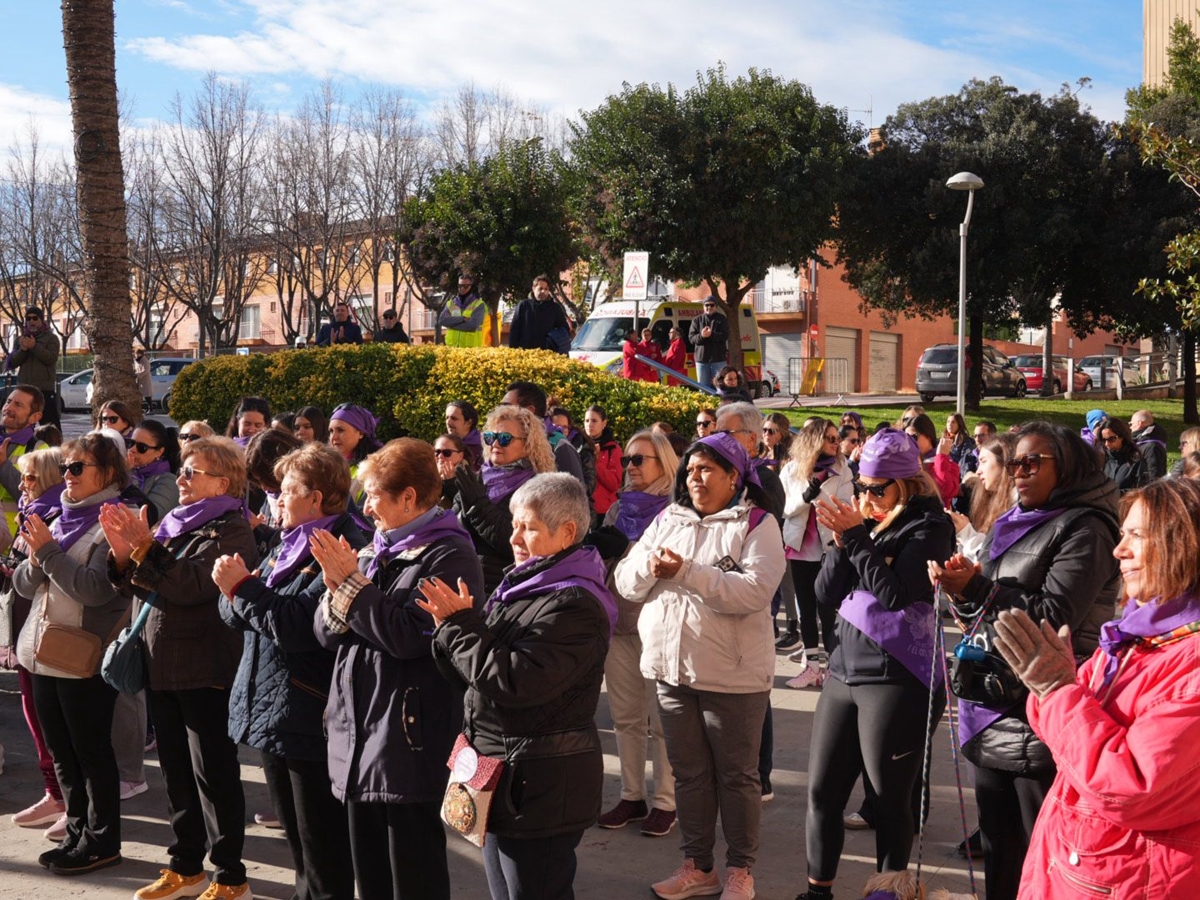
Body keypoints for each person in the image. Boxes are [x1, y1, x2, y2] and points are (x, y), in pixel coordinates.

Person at [929, 422, 1121, 900]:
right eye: (1014, 462)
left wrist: (978, 588)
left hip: (1040, 706)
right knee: (1000, 850)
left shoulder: (1087, 527)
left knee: (1042, 851)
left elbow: (1055, 618)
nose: (1018, 472)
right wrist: (964, 587)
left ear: (1069, 466)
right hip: (992, 698)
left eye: (1032, 462)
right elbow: (989, 606)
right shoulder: (1016, 519)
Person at [994, 477, 1200, 899]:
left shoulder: (1189, 661)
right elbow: (1061, 723)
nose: (1118, 550)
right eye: (1122, 534)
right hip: (1080, 864)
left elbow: (1129, 787)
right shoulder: (1139, 632)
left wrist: (1056, 688)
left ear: (1185, 545)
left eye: (1137, 536)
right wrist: (1049, 685)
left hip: (1133, 880)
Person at [417, 473, 612, 899]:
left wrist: (458, 628)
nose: (515, 538)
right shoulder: (523, 585)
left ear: (567, 533)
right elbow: (473, 676)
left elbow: (514, 681)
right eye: (514, 525)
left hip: (539, 786)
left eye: (529, 528)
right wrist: (451, 632)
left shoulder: (575, 603)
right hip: (499, 774)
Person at [311, 438, 485, 900]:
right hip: (358, 732)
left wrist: (350, 585)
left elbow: (410, 637)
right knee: (369, 876)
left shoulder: (448, 554)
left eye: (374, 495)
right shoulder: (376, 550)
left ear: (409, 497)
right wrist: (338, 589)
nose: (366, 509)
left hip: (407, 737)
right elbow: (326, 635)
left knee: (413, 872)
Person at [614, 432, 785, 900]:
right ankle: (697, 865)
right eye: (690, 469)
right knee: (689, 776)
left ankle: (740, 870)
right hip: (670, 672)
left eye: (707, 469)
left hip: (733, 677)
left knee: (737, 777)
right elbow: (625, 583)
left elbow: (754, 592)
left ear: (734, 476)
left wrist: (686, 571)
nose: (695, 477)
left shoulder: (757, 523)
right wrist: (650, 565)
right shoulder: (668, 517)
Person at [796, 428, 955, 900]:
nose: (865, 497)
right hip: (845, 670)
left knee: (888, 801)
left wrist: (859, 538)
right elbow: (826, 594)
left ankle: (886, 892)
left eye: (875, 489)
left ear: (906, 484)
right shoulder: (867, 523)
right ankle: (817, 892)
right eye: (860, 487)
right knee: (822, 793)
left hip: (897, 676)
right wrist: (843, 544)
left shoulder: (930, 526)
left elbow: (894, 595)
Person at [100, 436, 259, 900]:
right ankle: (186, 867)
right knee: (175, 771)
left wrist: (145, 548)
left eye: (193, 472)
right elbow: (145, 589)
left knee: (214, 776)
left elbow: (189, 586)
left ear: (223, 482)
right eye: (184, 470)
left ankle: (231, 876)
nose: (183, 479)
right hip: (160, 663)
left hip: (205, 667)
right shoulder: (175, 523)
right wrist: (123, 555)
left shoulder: (232, 530)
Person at [215, 443, 366, 900]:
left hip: (308, 707)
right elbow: (232, 613)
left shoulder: (340, 548)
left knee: (322, 841)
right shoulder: (288, 543)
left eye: (286, 491)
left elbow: (301, 626)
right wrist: (243, 593)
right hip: (270, 704)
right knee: (297, 839)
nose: (276, 500)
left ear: (316, 498)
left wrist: (244, 590)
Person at [14, 433, 127, 875]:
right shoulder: (59, 517)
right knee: (62, 751)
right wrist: (38, 556)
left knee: (91, 751)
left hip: (83, 656)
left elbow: (95, 591)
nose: (68, 476)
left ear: (108, 474)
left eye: (78, 468)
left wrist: (47, 553)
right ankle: (78, 832)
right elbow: (25, 586)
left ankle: (102, 841)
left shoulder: (113, 521)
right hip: (42, 651)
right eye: (66, 467)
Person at [594, 430, 680, 838]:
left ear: (663, 464)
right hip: (619, 623)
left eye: (639, 459)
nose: (629, 466)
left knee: (662, 720)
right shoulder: (616, 510)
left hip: (658, 626)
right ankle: (632, 796)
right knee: (625, 718)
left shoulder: (676, 512)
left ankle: (666, 801)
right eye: (628, 459)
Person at [6, 448, 68, 841]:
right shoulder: (31, 510)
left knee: (53, 722)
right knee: (34, 714)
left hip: (45, 628)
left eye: (30, 477)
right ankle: (54, 793)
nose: (22, 484)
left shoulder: (53, 515)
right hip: (21, 623)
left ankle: (66, 798)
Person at [777, 419, 855, 677]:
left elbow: (844, 505)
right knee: (806, 607)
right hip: (800, 546)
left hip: (830, 545)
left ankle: (834, 667)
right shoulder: (791, 470)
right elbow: (785, 509)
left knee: (828, 606)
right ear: (815, 440)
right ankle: (811, 666)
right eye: (830, 438)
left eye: (837, 438)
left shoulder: (842, 468)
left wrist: (818, 495)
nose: (836, 443)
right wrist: (805, 497)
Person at [453, 405, 556, 594]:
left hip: (501, 584)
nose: (495, 444)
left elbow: (513, 540)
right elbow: (453, 524)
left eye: (505, 439)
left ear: (528, 444)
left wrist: (477, 504)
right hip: (461, 576)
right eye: (490, 437)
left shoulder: (537, 486)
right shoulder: (479, 476)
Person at [947, 432, 1018, 562]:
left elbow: (994, 558)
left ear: (1005, 463)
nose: (978, 470)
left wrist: (966, 532)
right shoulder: (996, 499)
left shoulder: (1019, 505)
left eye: (983, 461)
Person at [0, 385, 51, 535]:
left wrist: (3, 465)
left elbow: (37, 498)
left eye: (18, 405)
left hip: (10, 542)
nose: (8, 407)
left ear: (35, 417)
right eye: (8, 401)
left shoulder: (40, 450)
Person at [9, 306, 60, 429]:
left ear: (41, 320)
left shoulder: (51, 338)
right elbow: (12, 363)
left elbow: (51, 358)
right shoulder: (20, 340)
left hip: (44, 390)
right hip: (25, 391)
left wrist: (34, 346)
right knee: (22, 426)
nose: (31, 321)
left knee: (50, 427)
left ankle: (54, 447)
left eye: (35, 318)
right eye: (28, 318)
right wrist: (24, 350)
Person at [126, 419, 181, 524]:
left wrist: (124, 479)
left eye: (141, 447)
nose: (132, 449)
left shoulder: (169, 481)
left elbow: (150, 517)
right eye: (131, 443)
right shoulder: (129, 470)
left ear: (159, 452)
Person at [328, 403, 383, 506]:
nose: (333, 437)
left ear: (361, 433)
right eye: (331, 431)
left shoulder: (374, 469)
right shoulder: (325, 466)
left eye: (340, 430)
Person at [904, 413, 960, 507]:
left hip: (934, 517)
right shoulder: (906, 460)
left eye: (914, 436)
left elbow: (947, 491)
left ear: (928, 436)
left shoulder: (946, 461)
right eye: (906, 437)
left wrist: (941, 458)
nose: (909, 442)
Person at [509, 274, 571, 352]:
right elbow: (515, 330)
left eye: (546, 289)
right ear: (533, 288)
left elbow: (564, 331)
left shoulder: (555, 308)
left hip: (547, 356)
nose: (543, 291)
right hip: (525, 354)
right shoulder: (523, 305)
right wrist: (513, 351)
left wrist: (552, 342)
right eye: (540, 288)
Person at [585, 405, 622, 518]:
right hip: (583, 507)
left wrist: (596, 463)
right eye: (587, 420)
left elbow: (614, 484)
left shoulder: (613, 449)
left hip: (603, 511)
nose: (589, 424)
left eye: (594, 421)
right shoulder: (579, 446)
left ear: (604, 423)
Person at [688, 297, 728, 392]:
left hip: (718, 359)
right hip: (702, 360)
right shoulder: (696, 320)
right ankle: (705, 407)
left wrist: (712, 335)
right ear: (703, 306)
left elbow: (725, 336)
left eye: (712, 305)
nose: (709, 307)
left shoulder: (722, 319)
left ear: (716, 307)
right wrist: (702, 336)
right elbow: (691, 338)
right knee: (703, 388)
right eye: (706, 305)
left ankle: (721, 406)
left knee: (721, 387)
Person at [1100, 416, 1149, 494]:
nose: (1107, 444)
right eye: (1103, 440)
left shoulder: (1136, 460)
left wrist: (1115, 494)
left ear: (1122, 437)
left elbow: (1142, 490)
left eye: (1111, 439)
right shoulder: (1101, 458)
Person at [438, 274, 487, 347]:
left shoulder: (479, 305)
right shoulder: (451, 303)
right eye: (460, 286)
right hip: (451, 348)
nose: (462, 288)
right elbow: (442, 320)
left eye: (466, 286)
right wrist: (462, 319)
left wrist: (451, 325)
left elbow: (472, 326)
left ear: (471, 287)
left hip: (470, 350)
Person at [1129, 409, 1167, 481]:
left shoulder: (1152, 446)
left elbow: (1154, 474)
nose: (1130, 427)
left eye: (1131, 424)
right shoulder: (1142, 439)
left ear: (1139, 423)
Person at [445, 400, 483, 471]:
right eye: (447, 418)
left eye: (454, 418)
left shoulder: (484, 447)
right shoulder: (443, 445)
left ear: (469, 422)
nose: (448, 422)